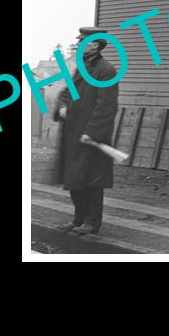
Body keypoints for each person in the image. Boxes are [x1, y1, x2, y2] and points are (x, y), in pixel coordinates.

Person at [52, 26, 120, 235]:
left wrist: (92, 132)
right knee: (74, 179)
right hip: (73, 132)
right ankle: (79, 219)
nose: (79, 45)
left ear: (95, 45)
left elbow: (107, 107)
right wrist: (63, 105)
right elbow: (66, 92)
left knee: (92, 180)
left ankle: (92, 223)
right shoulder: (82, 68)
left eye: (83, 42)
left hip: (91, 135)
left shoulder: (106, 71)